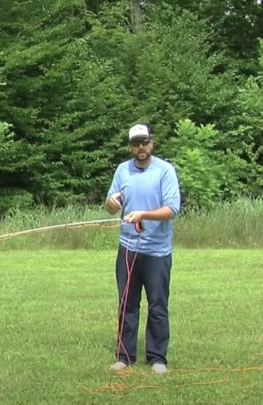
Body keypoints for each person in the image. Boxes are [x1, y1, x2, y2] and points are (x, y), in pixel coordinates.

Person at [104, 123, 181, 374]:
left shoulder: (164, 171)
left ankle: (157, 358)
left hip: (157, 252)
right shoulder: (122, 171)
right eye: (136, 143)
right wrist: (111, 203)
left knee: (157, 304)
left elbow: (172, 209)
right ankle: (124, 356)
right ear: (130, 147)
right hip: (127, 249)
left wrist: (144, 214)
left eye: (144, 142)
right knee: (127, 303)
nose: (141, 147)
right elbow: (110, 205)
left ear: (151, 143)